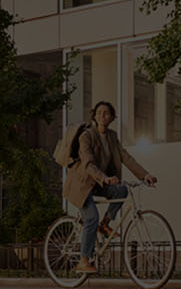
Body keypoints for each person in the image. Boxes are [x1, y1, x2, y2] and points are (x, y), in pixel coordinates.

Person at [64, 101, 158, 273]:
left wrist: (145, 175)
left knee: (121, 190)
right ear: (94, 116)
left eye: (106, 113)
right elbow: (88, 164)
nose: (102, 115)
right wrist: (105, 178)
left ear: (112, 117)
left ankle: (105, 224)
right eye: (99, 112)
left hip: (99, 183)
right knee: (91, 217)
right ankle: (83, 261)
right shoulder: (86, 136)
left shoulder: (112, 137)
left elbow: (126, 158)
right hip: (82, 184)